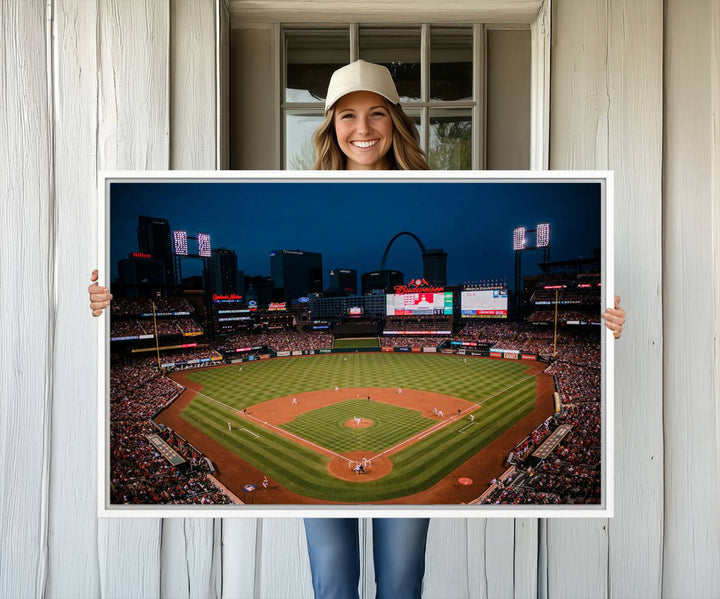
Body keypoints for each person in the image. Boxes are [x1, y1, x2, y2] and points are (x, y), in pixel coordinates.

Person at [88, 59, 627, 599]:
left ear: (396, 120)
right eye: (347, 115)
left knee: (400, 582)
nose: (362, 129)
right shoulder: (303, 186)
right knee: (333, 583)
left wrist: (606, 321)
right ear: (330, 125)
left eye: (376, 114)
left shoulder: (438, 184)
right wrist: (104, 304)